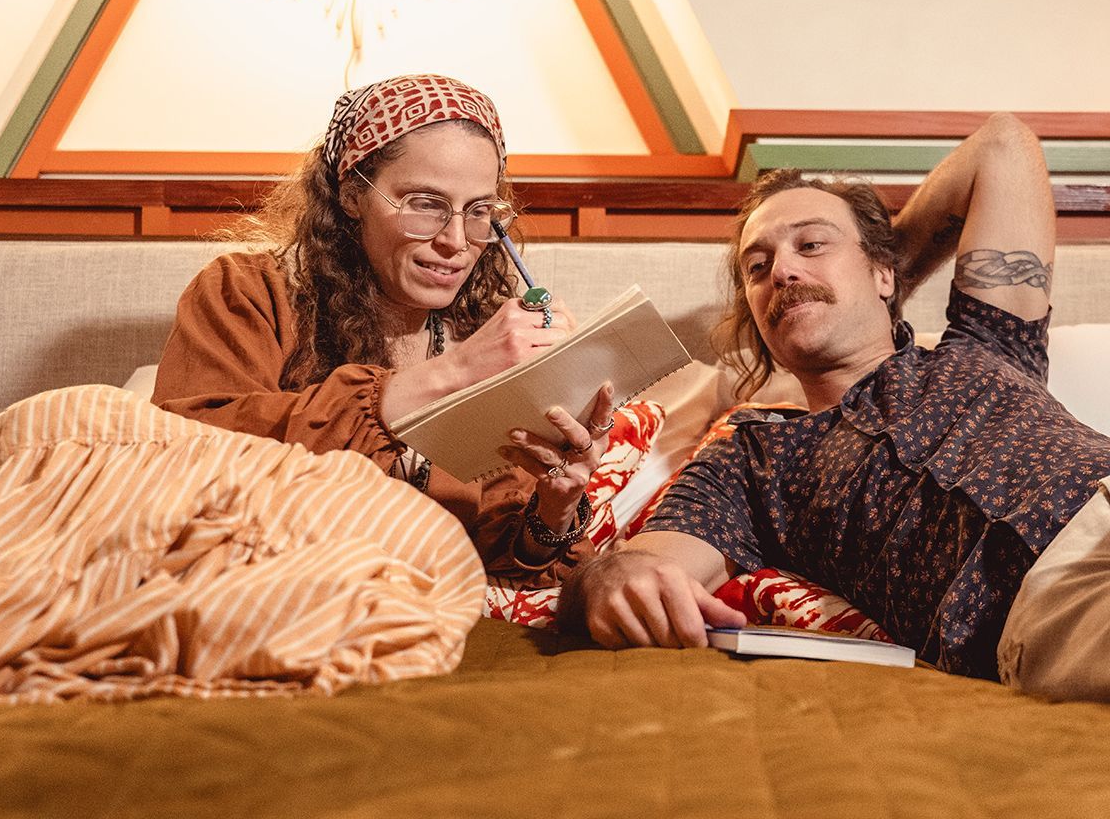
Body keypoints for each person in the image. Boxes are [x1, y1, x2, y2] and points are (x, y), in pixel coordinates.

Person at [561, 112, 1110, 702]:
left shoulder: (989, 342)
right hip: (1050, 597)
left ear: (881, 269)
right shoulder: (750, 461)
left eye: (812, 244)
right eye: (758, 267)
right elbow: (648, 566)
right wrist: (609, 577)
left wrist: (884, 280)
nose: (783, 271)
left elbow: (1002, 143)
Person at [153, 73, 614, 580]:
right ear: (352, 195)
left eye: (479, 212)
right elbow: (185, 455)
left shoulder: (475, 328)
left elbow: (500, 549)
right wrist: (452, 372)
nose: (457, 241)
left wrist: (555, 504)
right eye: (425, 204)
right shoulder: (247, 292)